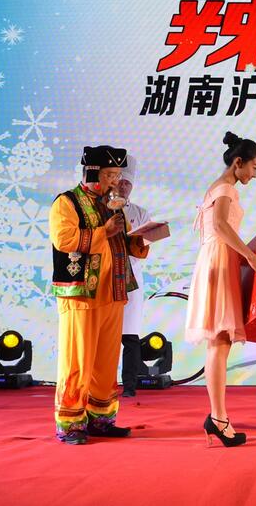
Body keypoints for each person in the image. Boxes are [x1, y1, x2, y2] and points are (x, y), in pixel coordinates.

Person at [50, 146, 149, 444]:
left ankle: (101, 418)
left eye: (117, 175)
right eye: (109, 175)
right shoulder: (67, 202)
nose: (114, 182)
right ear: (92, 173)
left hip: (113, 290)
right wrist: (103, 231)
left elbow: (126, 243)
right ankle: (70, 423)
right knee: (77, 360)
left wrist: (141, 238)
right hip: (81, 293)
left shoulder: (113, 205)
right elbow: (63, 239)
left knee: (106, 361)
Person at [185, 132, 256, 448]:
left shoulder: (219, 186)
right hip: (219, 262)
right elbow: (221, 225)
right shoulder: (225, 188)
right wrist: (251, 256)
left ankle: (218, 417)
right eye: (254, 167)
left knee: (219, 342)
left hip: (219, 260)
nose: (255, 174)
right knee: (219, 341)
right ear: (238, 162)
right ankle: (218, 418)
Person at [118, 155, 152, 398]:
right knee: (105, 336)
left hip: (132, 278)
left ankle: (129, 386)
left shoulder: (140, 213)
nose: (123, 187)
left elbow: (144, 248)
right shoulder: (101, 209)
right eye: (120, 182)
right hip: (107, 275)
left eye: (127, 183)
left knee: (130, 335)